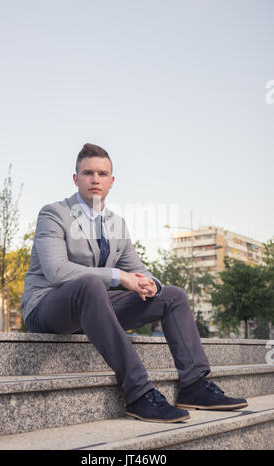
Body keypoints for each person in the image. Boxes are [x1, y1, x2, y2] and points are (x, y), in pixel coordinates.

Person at [21, 143, 247, 423]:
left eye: (102, 174)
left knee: (171, 295)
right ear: (75, 178)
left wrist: (150, 282)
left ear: (112, 181)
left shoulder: (117, 224)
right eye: (88, 172)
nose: (95, 179)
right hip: (46, 307)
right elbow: (56, 271)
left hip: (92, 310)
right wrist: (119, 277)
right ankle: (139, 395)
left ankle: (195, 385)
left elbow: (136, 269)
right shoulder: (53, 214)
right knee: (92, 285)